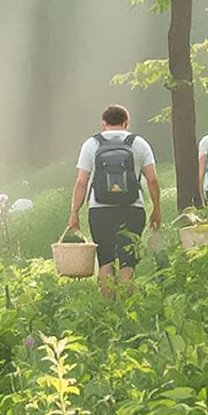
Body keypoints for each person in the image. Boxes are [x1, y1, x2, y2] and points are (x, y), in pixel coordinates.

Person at [66, 103, 161, 289]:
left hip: (100, 210)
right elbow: (152, 180)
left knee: (105, 261)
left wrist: (74, 212)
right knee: (128, 263)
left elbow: (82, 182)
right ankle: (127, 303)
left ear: (103, 123)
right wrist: (156, 209)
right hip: (132, 209)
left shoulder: (91, 144)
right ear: (126, 123)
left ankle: (107, 305)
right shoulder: (139, 143)